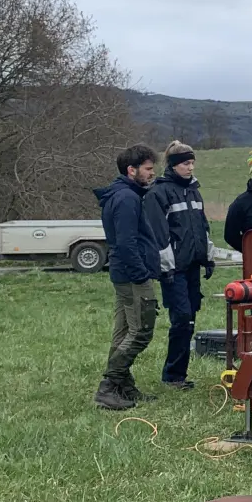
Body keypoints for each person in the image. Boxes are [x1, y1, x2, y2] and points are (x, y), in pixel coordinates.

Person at [93, 144, 168, 410]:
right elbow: (126, 243)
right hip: (132, 276)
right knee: (141, 331)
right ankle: (108, 387)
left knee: (124, 331)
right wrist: (140, 275)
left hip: (124, 274)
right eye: (148, 169)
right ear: (131, 170)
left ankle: (123, 387)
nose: (152, 173)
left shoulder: (126, 194)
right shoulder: (126, 199)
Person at [145, 141, 214, 391]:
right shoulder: (158, 193)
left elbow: (202, 227)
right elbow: (158, 234)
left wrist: (208, 257)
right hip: (173, 269)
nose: (191, 167)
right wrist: (167, 268)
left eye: (192, 162)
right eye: (186, 163)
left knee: (190, 318)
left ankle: (179, 375)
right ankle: (172, 375)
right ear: (174, 165)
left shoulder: (194, 191)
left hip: (193, 265)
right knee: (181, 318)